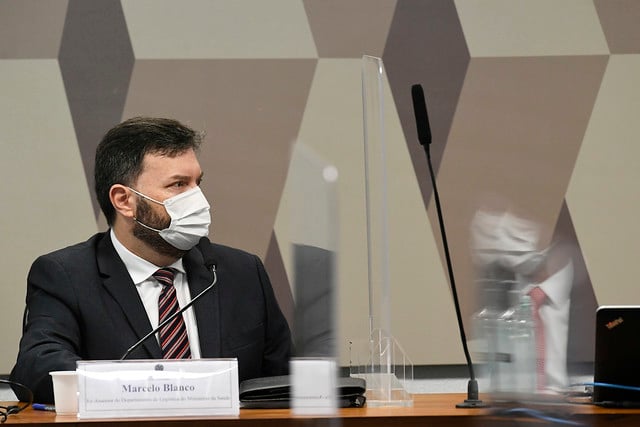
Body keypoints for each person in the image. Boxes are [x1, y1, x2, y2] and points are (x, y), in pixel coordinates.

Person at [10, 117, 292, 403]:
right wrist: (157, 386)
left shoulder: (240, 272)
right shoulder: (66, 275)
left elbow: (283, 382)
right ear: (124, 200)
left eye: (197, 183)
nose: (199, 200)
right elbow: (38, 368)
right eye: (178, 185)